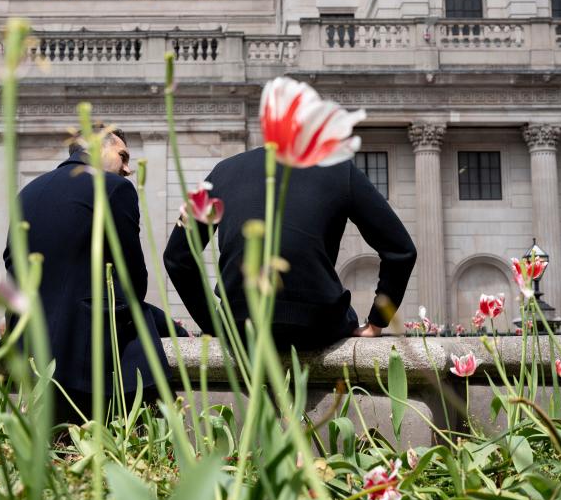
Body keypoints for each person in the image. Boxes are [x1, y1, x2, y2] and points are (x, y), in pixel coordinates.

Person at [163, 148, 417, 351]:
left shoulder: (222, 171)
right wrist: (376, 322)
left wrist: (213, 324)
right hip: (316, 323)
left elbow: (177, 257)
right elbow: (401, 250)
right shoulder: (339, 168)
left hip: (240, 322)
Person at [2, 127, 171, 424]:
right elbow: (134, 281)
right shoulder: (113, 188)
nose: (128, 169)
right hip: (89, 357)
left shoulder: (27, 192)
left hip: (31, 348)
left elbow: (11, 262)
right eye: (123, 156)